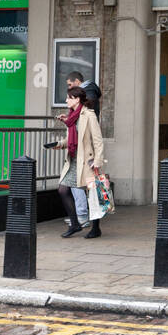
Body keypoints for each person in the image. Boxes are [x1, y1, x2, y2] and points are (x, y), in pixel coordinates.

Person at [57, 88, 106, 239]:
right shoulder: (71, 117)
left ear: (77, 99)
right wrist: (59, 144)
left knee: (93, 194)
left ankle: (96, 228)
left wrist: (98, 161)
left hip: (87, 161)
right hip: (73, 160)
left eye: (68, 98)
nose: (66, 101)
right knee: (63, 189)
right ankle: (75, 224)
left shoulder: (89, 115)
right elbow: (72, 140)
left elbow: (98, 140)